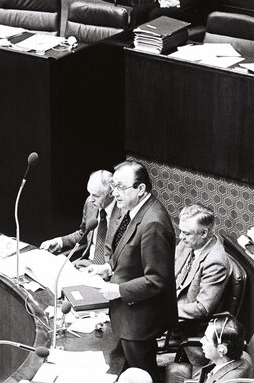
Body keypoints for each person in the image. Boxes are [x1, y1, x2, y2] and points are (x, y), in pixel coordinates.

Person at [88, 160, 177, 383]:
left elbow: (157, 280)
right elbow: (126, 249)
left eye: (121, 188)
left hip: (140, 321)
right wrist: (107, 267)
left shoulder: (153, 222)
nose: (114, 193)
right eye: (113, 186)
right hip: (127, 313)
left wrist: (117, 290)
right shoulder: (129, 210)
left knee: (143, 376)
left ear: (141, 189)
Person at [40, 170, 119, 266]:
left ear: (111, 193)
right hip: (86, 263)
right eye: (89, 193)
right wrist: (60, 242)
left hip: (108, 269)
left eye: (96, 195)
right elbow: (83, 233)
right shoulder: (90, 204)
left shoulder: (122, 212)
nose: (90, 199)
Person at [175, 204, 230, 324]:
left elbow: (202, 308)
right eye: (180, 231)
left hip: (181, 322)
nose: (180, 237)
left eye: (186, 233)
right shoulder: (189, 242)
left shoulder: (215, 262)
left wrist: (164, 310)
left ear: (204, 233)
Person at [196, 313, 253, 382]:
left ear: (221, 350)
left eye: (207, 339)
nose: (201, 341)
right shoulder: (244, 356)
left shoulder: (225, 381)